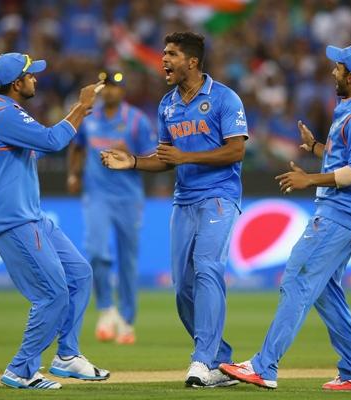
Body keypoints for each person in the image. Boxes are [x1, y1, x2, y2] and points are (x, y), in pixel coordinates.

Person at [219, 44, 351, 391]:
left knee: (296, 280)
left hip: (339, 216)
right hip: (347, 216)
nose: (333, 72)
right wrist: (316, 150)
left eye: (338, 68)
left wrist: (309, 178)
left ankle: (264, 366)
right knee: (325, 291)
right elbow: (349, 159)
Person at [101, 32, 248, 388]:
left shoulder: (224, 98)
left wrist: (188, 157)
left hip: (219, 197)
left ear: (192, 62)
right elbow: (166, 159)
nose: (163, 60)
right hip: (183, 202)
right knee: (183, 288)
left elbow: (235, 151)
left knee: (208, 270)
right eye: (163, 53)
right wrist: (133, 162)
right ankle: (221, 361)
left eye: (171, 54)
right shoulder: (167, 104)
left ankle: (201, 361)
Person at [0, 52, 110, 390]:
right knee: (52, 294)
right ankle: (21, 369)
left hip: (32, 217)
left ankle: (66, 355)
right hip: (13, 221)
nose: (36, 79)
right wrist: (80, 107)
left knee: (80, 273)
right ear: (16, 83)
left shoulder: (10, 113)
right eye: (31, 76)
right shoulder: (3, 115)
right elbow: (53, 141)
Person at [67, 69, 157, 345]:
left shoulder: (136, 121)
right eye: (105, 86)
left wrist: (130, 153)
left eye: (115, 87)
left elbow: (154, 157)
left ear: (123, 91)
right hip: (97, 195)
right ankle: (106, 310)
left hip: (128, 198)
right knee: (96, 251)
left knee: (127, 261)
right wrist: (74, 174)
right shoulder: (89, 118)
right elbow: (78, 147)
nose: (109, 91)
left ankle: (127, 321)